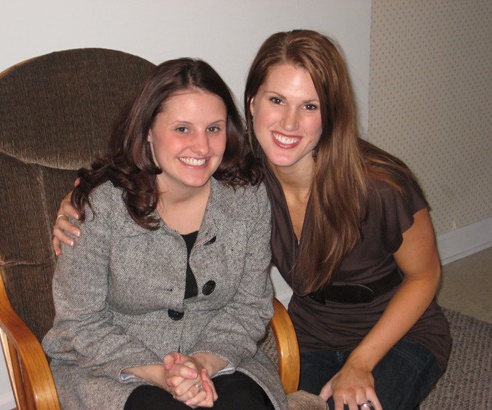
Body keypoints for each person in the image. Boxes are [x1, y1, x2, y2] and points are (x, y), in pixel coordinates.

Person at [53, 30, 452, 410]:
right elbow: (153, 168)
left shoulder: (380, 185)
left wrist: (361, 363)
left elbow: (424, 275)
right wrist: (78, 197)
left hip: (396, 331)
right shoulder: (245, 171)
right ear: (252, 104)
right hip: (313, 333)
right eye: (277, 100)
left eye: (310, 106)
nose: (289, 124)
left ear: (331, 114)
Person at [42, 57, 286, 410]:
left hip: (220, 357)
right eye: (182, 129)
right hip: (112, 368)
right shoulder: (98, 206)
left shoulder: (247, 198)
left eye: (214, 129)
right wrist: (162, 374)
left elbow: (250, 306)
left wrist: (201, 364)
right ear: (147, 131)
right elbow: (79, 321)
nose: (201, 147)